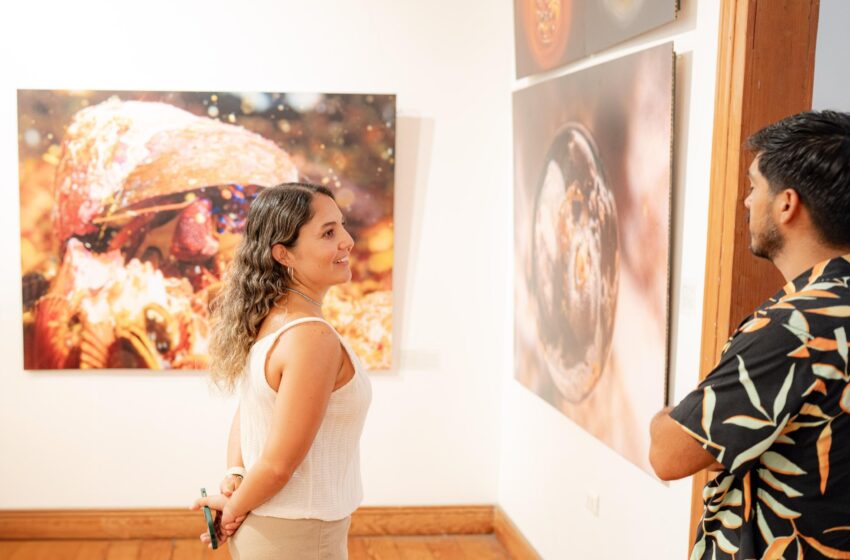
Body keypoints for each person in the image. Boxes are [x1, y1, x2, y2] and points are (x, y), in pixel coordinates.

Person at [649, 111, 850, 559]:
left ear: (786, 204)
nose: (746, 201)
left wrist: (663, 419)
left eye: (755, 185)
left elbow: (670, 454)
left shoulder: (796, 326)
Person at [192, 182, 372, 559]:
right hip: (299, 539)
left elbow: (250, 413)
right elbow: (276, 466)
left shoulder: (273, 322)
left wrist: (236, 480)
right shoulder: (311, 337)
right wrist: (234, 508)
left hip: (272, 531)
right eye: (328, 232)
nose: (348, 241)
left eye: (341, 226)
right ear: (283, 255)